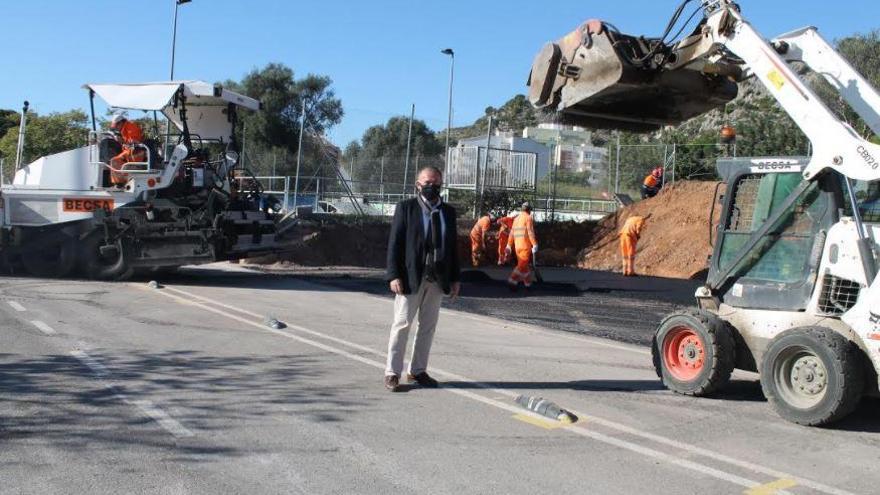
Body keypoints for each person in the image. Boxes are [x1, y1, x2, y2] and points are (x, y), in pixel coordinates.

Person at [384, 166, 461, 392]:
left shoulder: (448, 212)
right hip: (410, 277)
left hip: (437, 279)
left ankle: (417, 371)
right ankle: (392, 372)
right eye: (427, 182)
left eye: (436, 182)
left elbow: (453, 248)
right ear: (418, 184)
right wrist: (393, 274)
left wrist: (455, 278)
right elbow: (395, 244)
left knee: (428, 327)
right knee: (402, 324)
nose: (432, 186)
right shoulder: (406, 208)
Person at [505, 202, 538, 290]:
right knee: (522, 266)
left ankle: (528, 284)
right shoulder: (528, 218)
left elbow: (512, 232)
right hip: (525, 246)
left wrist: (509, 244)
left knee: (524, 266)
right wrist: (534, 244)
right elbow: (530, 232)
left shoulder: (517, 219)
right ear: (529, 210)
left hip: (517, 246)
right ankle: (512, 281)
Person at [108, 113, 147, 186]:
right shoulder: (125, 128)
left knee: (114, 161)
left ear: (121, 123)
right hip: (130, 152)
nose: (116, 128)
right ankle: (120, 182)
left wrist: (121, 140)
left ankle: (119, 183)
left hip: (136, 152)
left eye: (116, 125)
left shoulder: (131, 127)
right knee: (114, 160)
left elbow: (134, 142)